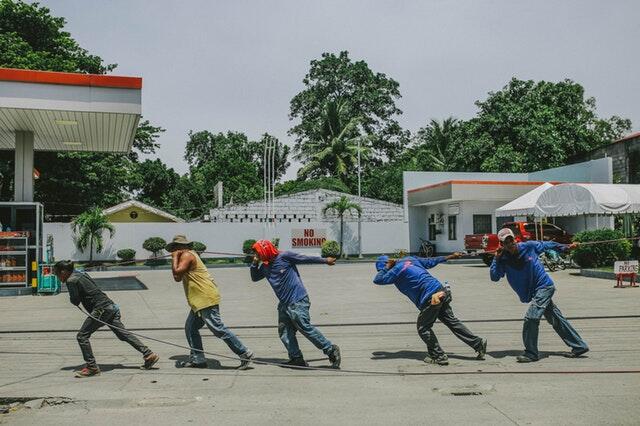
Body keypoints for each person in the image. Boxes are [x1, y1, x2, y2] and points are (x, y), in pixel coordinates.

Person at [490, 228, 589, 362]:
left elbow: (547, 245)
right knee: (556, 319)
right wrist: (496, 258)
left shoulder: (529, 246)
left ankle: (531, 353)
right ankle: (579, 346)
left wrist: (565, 247)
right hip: (532, 292)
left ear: (515, 239)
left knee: (531, 318)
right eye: (505, 242)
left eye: (511, 240)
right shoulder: (503, 258)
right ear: (502, 245)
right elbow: (494, 277)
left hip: (544, 286)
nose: (509, 244)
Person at [373, 253, 487, 366]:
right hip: (441, 290)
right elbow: (430, 261)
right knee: (451, 321)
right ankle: (478, 344)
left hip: (430, 298)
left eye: (382, 270)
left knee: (423, 328)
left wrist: (387, 267)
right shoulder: (410, 259)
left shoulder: (395, 271)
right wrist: (449, 256)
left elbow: (378, 280)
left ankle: (439, 356)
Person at [53, 261, 159, 378]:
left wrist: (73, 297)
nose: (58, 277)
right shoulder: (81, 273)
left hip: (100, 309)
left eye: (57, 274)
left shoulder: (71, 280)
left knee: (82, 336)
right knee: (123, 334)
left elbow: (75, 300)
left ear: (63, 271)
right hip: (110, 306)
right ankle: (148, 354)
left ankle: (92, 367)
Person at [249, 239, 341, 368]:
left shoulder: (284, 257)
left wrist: (325, 260)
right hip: (284, 304)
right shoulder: (265, 266)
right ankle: (296, 358)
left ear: (265, 250)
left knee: (305, 327)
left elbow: (304, 258)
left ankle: (330, 349)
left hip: (298, 300)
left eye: (258, 252)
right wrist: (254, 262)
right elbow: (254, 278)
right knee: (284, 332)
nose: (257, 255)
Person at [167, 235, 254, 369]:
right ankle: (198, 359)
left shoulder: (187, 255)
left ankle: (244, 352)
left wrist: (174, 258)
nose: (174, 250)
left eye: (175, 247)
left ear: (182, 247)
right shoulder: (188, 254)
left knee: (217, 328)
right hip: (199, 300)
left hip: (204, 297)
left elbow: (176, 275)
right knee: (191, 328)